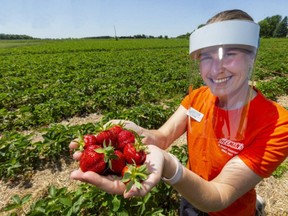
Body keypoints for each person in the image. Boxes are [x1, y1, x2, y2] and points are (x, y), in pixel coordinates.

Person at [69, 9, 288, 216]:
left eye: (229, 54)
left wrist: (172, 168)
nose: (215, 69)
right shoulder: (198, 97)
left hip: (230, 210)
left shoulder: (277, 125)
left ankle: (256, 206)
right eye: (206, 57)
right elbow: (161, 137)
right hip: (189, 192)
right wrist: (136, 134)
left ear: (252, 56)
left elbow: (220, 195)